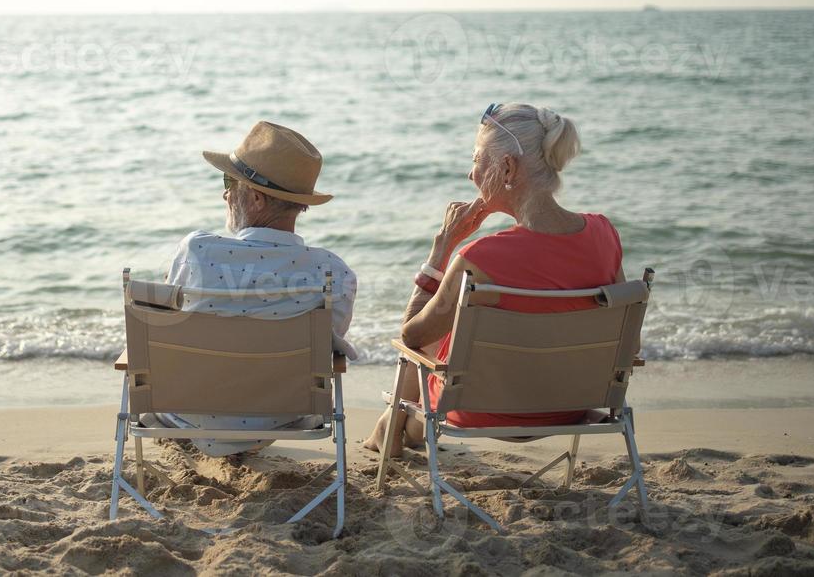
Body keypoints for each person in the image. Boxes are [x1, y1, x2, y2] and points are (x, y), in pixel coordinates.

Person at [364, 103, 624, 456]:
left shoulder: (479, 259)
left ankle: (391, 427)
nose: (471, 175)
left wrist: (441, 251)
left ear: (507, 166)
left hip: (481, 410)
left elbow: (411, 335)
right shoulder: (605, 235)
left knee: (433, 337)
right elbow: (627, 339)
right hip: (571, 407)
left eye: (476, 160)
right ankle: (390, 427)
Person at [155, 121, 357, 456]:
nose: (225, 193)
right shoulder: (334, 273)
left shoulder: (197, 252)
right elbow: (325, 349)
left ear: (257, 198)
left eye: (229, 182)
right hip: (286, 414)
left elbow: (168, 327)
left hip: (190, 411)